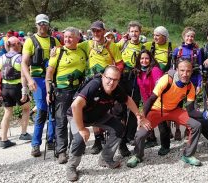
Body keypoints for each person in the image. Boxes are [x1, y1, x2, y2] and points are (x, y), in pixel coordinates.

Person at [127, 59, 208, 168]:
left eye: (188, 71)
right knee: (141, 133)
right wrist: (143, 118)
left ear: (191, 72)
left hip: (174, 110)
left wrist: (206, 114)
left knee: (196, 125)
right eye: (182, 70)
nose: (185, 74)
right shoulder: (167, 80)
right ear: (177, 70)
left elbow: (191, 111)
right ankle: (138, 155)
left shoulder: (190, 87)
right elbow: (151, 100)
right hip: (157, 110)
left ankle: (188, 155)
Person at [66, 65, 150, 181]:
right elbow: (75, 106)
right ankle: (71, 167)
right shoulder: (94, 85)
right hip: (77, 116)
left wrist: (137, 115)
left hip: (98, 116)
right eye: (109, 78)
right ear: (103, 77)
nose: (111, 82)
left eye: (115, 80)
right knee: (80, 139)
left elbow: (128, 100)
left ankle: (106, 158)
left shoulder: (117, 89)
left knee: (118, 128)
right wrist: (81, 129)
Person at [77, 20, 124, 155]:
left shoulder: (112, 46)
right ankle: (98, 140)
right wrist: (57, 48)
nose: (96, 33)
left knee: (112, 110)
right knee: (94, 110)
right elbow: (71, 46)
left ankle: (116, 138)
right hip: (93, 83)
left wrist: (113, 74)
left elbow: (120, 64)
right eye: (94, 31)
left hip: (108, 83)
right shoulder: (88, 44)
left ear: (104, 31)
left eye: (98, 30)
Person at [45, 27, 87, 164]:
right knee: (61, 121)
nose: (67, 39)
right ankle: (61, 151)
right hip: (61, 91)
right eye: (66, 37)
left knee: (76, 119)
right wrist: (48, 91)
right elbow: (49, 73)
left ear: (77, 38)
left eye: (70, 37)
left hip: (78, 90)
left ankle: (74, 147)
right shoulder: (58, 52)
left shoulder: (82, 50)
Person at [21, 14, 60, 157]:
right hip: (37, 80)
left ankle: (51, 140)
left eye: (45, 23)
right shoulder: (30, 41)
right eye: (40, 23)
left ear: (48, 24)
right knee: (42, 111)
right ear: (36, 24)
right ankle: (35, 144)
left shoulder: (54, 40)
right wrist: (29, 80)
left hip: (51, 79)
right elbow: (24, 64)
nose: (42, 25)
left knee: (53, 112)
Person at [0, 37, 32, 149]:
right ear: (15, 45)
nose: (21, 46)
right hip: (17, 87)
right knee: (26, 108)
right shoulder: (20, 58)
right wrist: (24, 91)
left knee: (7, 112)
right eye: (20, 44)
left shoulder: (1, 58)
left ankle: (4, 140)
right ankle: (23, 133)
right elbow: (23, 75)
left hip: (5, 88)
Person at [114, 21, 144, 156]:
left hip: (135, 78)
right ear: (128, 32)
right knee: (120, 108)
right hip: (122, 78)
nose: (134, 34)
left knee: (134, 107)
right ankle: (120, 138)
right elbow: (111, 49)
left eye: (136, 31)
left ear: (140, 32)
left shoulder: (143, 46)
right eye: (132, 31)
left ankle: (130, 135)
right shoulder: (123, 43)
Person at [173, 27, 202, 140]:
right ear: (184, 37)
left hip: (193, 81)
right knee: (178, 106)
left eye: (192, 36)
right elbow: (173, 67)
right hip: (179, 82)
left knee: (191, 107)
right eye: (188, 36)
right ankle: (177, 130)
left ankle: (188, 129)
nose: (190, 38)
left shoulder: (197, 51)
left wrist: (199, 84)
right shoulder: (177, 50)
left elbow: (199, 68)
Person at [134, 49, 163, 147]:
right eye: (142, 58)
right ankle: (151, 139)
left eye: (147, 58)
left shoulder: (155, 70)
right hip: (147, 99)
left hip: (158, 99)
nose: (144, 60)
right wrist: (146, 103)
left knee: (161, 121)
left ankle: (165, 144)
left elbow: (160, 87)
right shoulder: (139, 72)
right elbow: (142, 88)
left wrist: (153, 102)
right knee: (147, 118)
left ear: (151, 59)